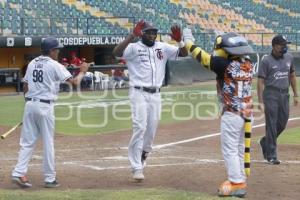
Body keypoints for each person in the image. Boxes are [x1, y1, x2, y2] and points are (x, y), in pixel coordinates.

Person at [112, 20, 188, 181]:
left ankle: (143, 155)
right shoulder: (133, 48)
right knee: (140, 127)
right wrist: (131, 35)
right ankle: (136, 167)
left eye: (154, 32)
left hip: (156, 94)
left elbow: (184, 54)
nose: (152, 35)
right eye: (148, 32)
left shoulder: (162, 47)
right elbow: (116, 53)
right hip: (138, 92)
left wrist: (180, 41)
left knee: (151, 131)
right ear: (142, 33)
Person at [184, 31, 255, 198]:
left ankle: (236, 183)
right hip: (247, 111)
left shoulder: (223, 65)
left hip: (232, 113)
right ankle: (241, 179)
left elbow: (201, 56)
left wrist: (187, 41)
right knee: (238, 148)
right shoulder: (248, 63)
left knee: (229, 149)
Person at [11, 37, 89, 188]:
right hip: (45, 107)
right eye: (57, 49)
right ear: (51, 50)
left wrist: (30, 104)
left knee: (27, 143)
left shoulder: (33, 62)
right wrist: (82, 72)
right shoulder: (55, 65)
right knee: (48, 143)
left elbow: (26, 85)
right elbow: (74, 83)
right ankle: (49, 178)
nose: (58, 52)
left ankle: (18, 173)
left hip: (30, 104)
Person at [257, 35, 298, 165]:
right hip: (271, 94)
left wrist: (296, 94)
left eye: (286, 44)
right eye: (282, 45)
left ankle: (265, 141)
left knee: (282, 123)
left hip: (284, 95)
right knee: (271, 124)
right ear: (274, 46)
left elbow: (292, 75)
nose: (285, 47)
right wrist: (260, 101)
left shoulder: (289, 58)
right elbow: (260, 82)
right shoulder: (266, 61)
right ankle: (271, 156)